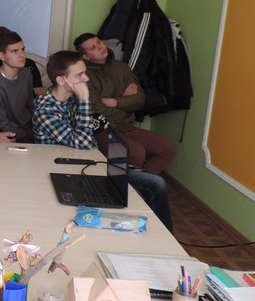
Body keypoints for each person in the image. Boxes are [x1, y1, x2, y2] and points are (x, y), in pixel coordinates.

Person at [33, 51, 174, 232]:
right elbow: (84, 143)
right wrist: (84, 101)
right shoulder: (46, 110)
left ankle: (164, 236)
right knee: (149, 186)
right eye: (79, 75)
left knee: (155, 183)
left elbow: (90, 137)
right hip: (63, 175)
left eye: (85, 73)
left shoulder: (70, 100)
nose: (86, 79)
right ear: (61, 80)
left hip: (83, 165)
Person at [74, 33, 177, 174]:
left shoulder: (121, 67)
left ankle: (139, 185)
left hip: (126, 127)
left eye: (99, 42)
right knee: (136, 153)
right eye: (93, 48)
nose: (100, 47)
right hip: (102, 131)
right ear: (86, 56)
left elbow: (140, 99)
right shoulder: (83, 75)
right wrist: (126, 105)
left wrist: (115, 101)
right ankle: (120, 185)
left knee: (167, 149)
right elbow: (96, 111)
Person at [0, 26, 34, 143]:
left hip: (31, 131)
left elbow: (31, 105)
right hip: (11, 137)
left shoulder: (26, 74)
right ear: (2, 56)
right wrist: (24, 137)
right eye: (15, 51)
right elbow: (0, 122)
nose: (22, 55)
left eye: (23, 49)